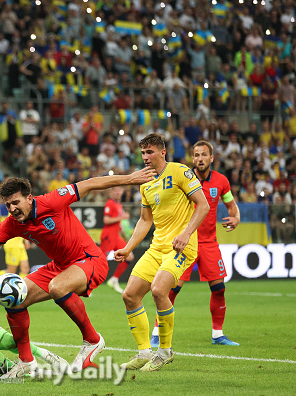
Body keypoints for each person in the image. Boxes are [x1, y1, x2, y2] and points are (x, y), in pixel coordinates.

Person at [0, 168, 155, 377]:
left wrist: (129, 179)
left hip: (89, 259)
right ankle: (26, 361)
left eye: (16, 202)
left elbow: (90, 183)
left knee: (58, 287)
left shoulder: (52, 201)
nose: (12, 209)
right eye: (8, 205)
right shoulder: (12, 224)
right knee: (14, 298)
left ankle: (92, 340)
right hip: (60, 266)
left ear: (29, 198)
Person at [113, 133, 208, 372]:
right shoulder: (145, 181)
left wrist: (186, 234)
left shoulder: (180, 171)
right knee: (130, 295)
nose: (145, 157)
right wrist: (127, 248)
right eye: (143, 153)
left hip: (181, 246)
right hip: (157, 247)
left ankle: (165, 351)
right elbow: (145, 221)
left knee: (158, 290)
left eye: (150, 152)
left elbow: (203, 205)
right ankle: (145, 352)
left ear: (162, 152)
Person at [150, 141, 240, 347]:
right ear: (193, 158)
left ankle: (218, 335)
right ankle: (157, 332)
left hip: (209, 243)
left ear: (211, 158)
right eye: (196, 155)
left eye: (204, 155)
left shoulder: (221, 182)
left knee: (219, 289)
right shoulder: (183, 177)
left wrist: (236, 218)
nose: (200, 159)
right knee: (170, 290)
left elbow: (232, 207)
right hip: (185, 242)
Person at [101, 186, 134, 294]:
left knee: (129, 256)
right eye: (115, 190)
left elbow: (118, 223)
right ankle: (86, 284)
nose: (117, 192)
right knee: (99, 260)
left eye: (119, 190)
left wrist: (123, 232)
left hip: (116, 235)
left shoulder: (118, 204)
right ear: (111, 192)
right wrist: (122, 217)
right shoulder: (110, 203)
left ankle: (114, 280)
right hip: (109, 235)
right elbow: (106, 220)